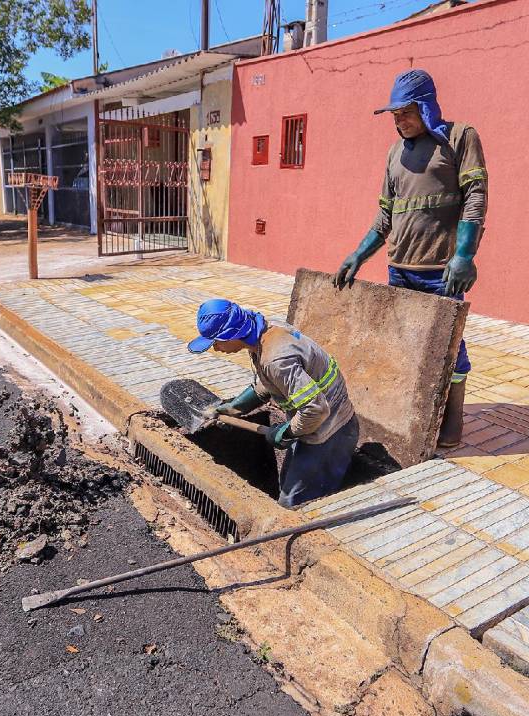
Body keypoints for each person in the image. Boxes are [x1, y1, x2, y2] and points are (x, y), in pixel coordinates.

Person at [333, 68, 487, 448]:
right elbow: (385, 215)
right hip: (400, 270)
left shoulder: (459, 137)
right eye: (394, 115)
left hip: (441, 272)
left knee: (449, 345)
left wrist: (465, 255)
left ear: (425, 106)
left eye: (404, 112)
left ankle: (452, 419)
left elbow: (476, 198)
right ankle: (414, 416)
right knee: (405, 344)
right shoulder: (393, 154)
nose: (398, 121)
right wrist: (358, 255)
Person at [187, 299, 359, 508]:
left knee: (293, 505)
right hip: (318, 425)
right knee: (286, 484)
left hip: (331, 433)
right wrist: (236, 407)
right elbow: (274, 381)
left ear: (231, 334)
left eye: (216, 341)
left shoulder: (275, 359)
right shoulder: (266, 331)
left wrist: (286, 433)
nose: (215, 348)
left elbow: (315, 408)